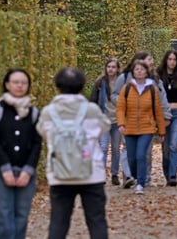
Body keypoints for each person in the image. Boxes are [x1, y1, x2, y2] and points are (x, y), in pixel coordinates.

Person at [38, 67, 112, 239]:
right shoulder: (91, 110)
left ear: (58, 85)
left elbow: (42, 131)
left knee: (58, 221)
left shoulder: (49, 112)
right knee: (96, 221)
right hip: (91, 173)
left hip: (59, 173)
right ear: (81, 85)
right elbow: (104, 127)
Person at [0, 69, 41, 239]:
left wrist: (28, 170)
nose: (19, 86)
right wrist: (4, 167)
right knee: (3, 216)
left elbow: (37, 143)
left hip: (26, 170)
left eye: (23, 82)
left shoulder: (33, 112)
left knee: (21, 217)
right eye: (15, 82)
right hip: (0, 170)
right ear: (7, 84)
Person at [112, 51, 171, 188]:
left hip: (147, 125)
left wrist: (164, 121)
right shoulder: (124, 80)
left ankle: (143, 179)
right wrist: (123, 110)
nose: (151, 62)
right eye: (148, 59)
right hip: (129, 123)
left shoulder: (155, 83)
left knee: (144, 153)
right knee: (130, 153)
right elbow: (117, 100)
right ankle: (130, 176)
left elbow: (160, 103)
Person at [89, 58, 123, 185]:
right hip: (103, 119)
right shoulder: (100, 82)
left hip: (117, 120)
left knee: (115, 148)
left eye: (113, 67)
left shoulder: (122, 82)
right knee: (103, 147)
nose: (111, 69)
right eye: (109, 66)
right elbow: (93, 99)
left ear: (118, 68)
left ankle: (114, 174)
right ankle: (101, 174)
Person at [157, 49, 177, 186]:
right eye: (170, 59)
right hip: (163, 114)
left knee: (174, 145)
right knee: (166, 148)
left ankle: (173, 175)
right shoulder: (158, 75)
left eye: (174, 59)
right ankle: (167, 174)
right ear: (165, 60)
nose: (172, 62)